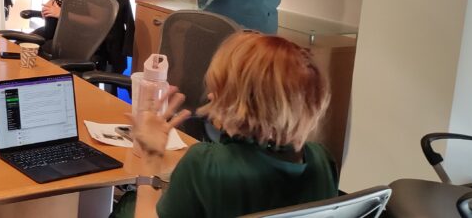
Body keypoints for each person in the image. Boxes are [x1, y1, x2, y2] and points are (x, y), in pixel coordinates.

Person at [113, 32, 335, 218]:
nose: (211, 95)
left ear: (247, 101)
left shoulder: (205, 164)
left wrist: (151, 157)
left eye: (222, 89)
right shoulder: (321, 160)